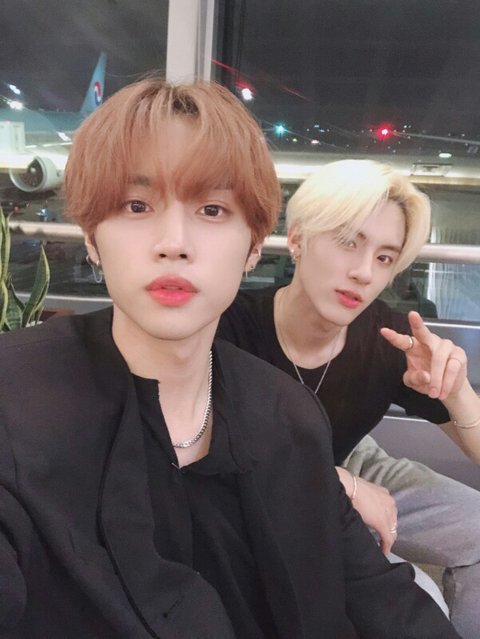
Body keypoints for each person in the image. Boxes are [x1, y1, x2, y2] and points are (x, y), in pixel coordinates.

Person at [0, 82, 460, 639]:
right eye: (136, 206)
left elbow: (376, 593)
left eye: (212, 209)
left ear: (253, 246)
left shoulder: (287, 417)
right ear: (92, 239)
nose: (174, 242)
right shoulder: (15, 405)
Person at [218, 158, 480, 638]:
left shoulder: (388, 339)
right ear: (297, 239)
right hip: (260, 486)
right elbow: (207, 450)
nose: (363, 272)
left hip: (351, 458)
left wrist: (457, 391)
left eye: (384, 257)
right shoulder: (231, 328)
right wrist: (344, 487)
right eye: (347, 242)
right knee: (418, 596)